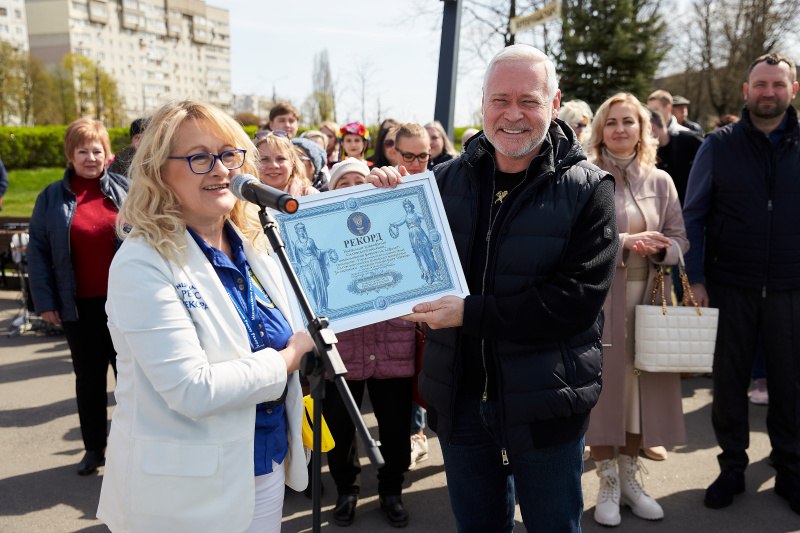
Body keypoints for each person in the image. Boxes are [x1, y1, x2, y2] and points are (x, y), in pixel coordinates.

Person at [369, 44, 618, 532]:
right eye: (500, 99)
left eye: (529, 100)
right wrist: (381, 201)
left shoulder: (589, 189)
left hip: (545, 403)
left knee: (554, 526)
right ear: (482, 103)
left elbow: (574, 303)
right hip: (460, 402)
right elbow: (405, 265)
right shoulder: (440, 182)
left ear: (554, 102)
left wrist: (470, 313)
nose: (512, 114)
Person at [96, 100, 314, 533]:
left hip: (265, 461)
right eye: (199, 157)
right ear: (159, 171)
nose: (220, 170)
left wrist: (385, 196)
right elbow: (193, 389)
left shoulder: (256, 242)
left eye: (229, 154)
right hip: (183, 492)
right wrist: (289, 358)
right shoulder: (141, 262)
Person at [683, 52, 800, 515]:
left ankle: (791, 467)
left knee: (791, 386)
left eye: (777, 84)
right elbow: (694, 214)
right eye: (760, 84)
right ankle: (731, 466)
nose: (768, 92)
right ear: (746, 90)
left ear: (792, 90)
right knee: (729, 384)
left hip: (793, 288)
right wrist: (695, 278)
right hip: (731, 286)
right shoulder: (719, 144)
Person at [584, 92, 689, 526]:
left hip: (649, 301)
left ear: (643, 128)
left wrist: (665, 249)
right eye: (612, 122)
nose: (621, 129)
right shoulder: (587, 177)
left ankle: (631, 479)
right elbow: (582, 242)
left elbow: (681, 238)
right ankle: (606, 481)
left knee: (636, 397)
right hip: (603, 302)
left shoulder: (660, 180)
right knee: (606, 396)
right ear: (600, 130)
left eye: (629, 121)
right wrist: (627, 244)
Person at [28, 118, 129, 476]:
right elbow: (38, 252)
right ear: (70, 155)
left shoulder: (125, 190)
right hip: (78, 305)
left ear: (108, 154)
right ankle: (94, 448)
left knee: (131, 378)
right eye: (82, 151)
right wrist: (45, 302)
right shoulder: (50, 198)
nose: (90, 157)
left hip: (127, 305)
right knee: (88, 379)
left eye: (96, 150)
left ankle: (132, 447)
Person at [322, 156, 416, 528]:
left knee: (395, 428)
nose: (351, 189)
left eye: (359, 180)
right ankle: (347, 491)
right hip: (340, 348)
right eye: (341, 184)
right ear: (329, 191)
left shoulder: (390, 221)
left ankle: (392, 491)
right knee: (341, 429)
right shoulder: (321, 233)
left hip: (392, 341)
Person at [255, 131, 319, 198]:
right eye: (264, 159)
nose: (273, 165)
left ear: (292, 162)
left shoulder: (310, 195)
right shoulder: (246, 198)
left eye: (280, 159)